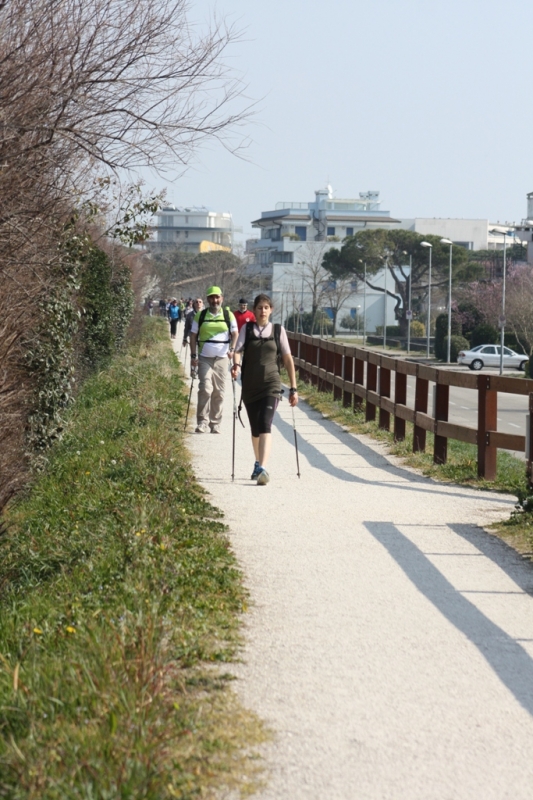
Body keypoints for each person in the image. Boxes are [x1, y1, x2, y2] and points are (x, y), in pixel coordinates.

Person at [231, 293, 298, 485]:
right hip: (250, 386)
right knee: (255, 429)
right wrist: (236, 365)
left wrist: (293, 388)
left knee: (265, 423)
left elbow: (287, 359)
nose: (262, 311)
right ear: (254, 310)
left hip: (272, 384)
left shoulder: (278, 331)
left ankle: (262, 468)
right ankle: (257, 462)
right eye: (259, 308)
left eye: (266, 308)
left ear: (271, 310)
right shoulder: (247, 328)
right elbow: (237, 350)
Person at [190, 286, 238, 434]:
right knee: (205, 388)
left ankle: (215, 423)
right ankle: (202, 422)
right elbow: (193, 336)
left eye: (217, 297)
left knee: (219, 391)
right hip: (204, 357)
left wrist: (232, 349)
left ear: (222, 298)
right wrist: (193, 355)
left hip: (222, 359)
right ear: (208, 299)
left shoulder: (228, 315)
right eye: (211, 297)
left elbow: (235, 333)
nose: (214, 300)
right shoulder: (201, 315)